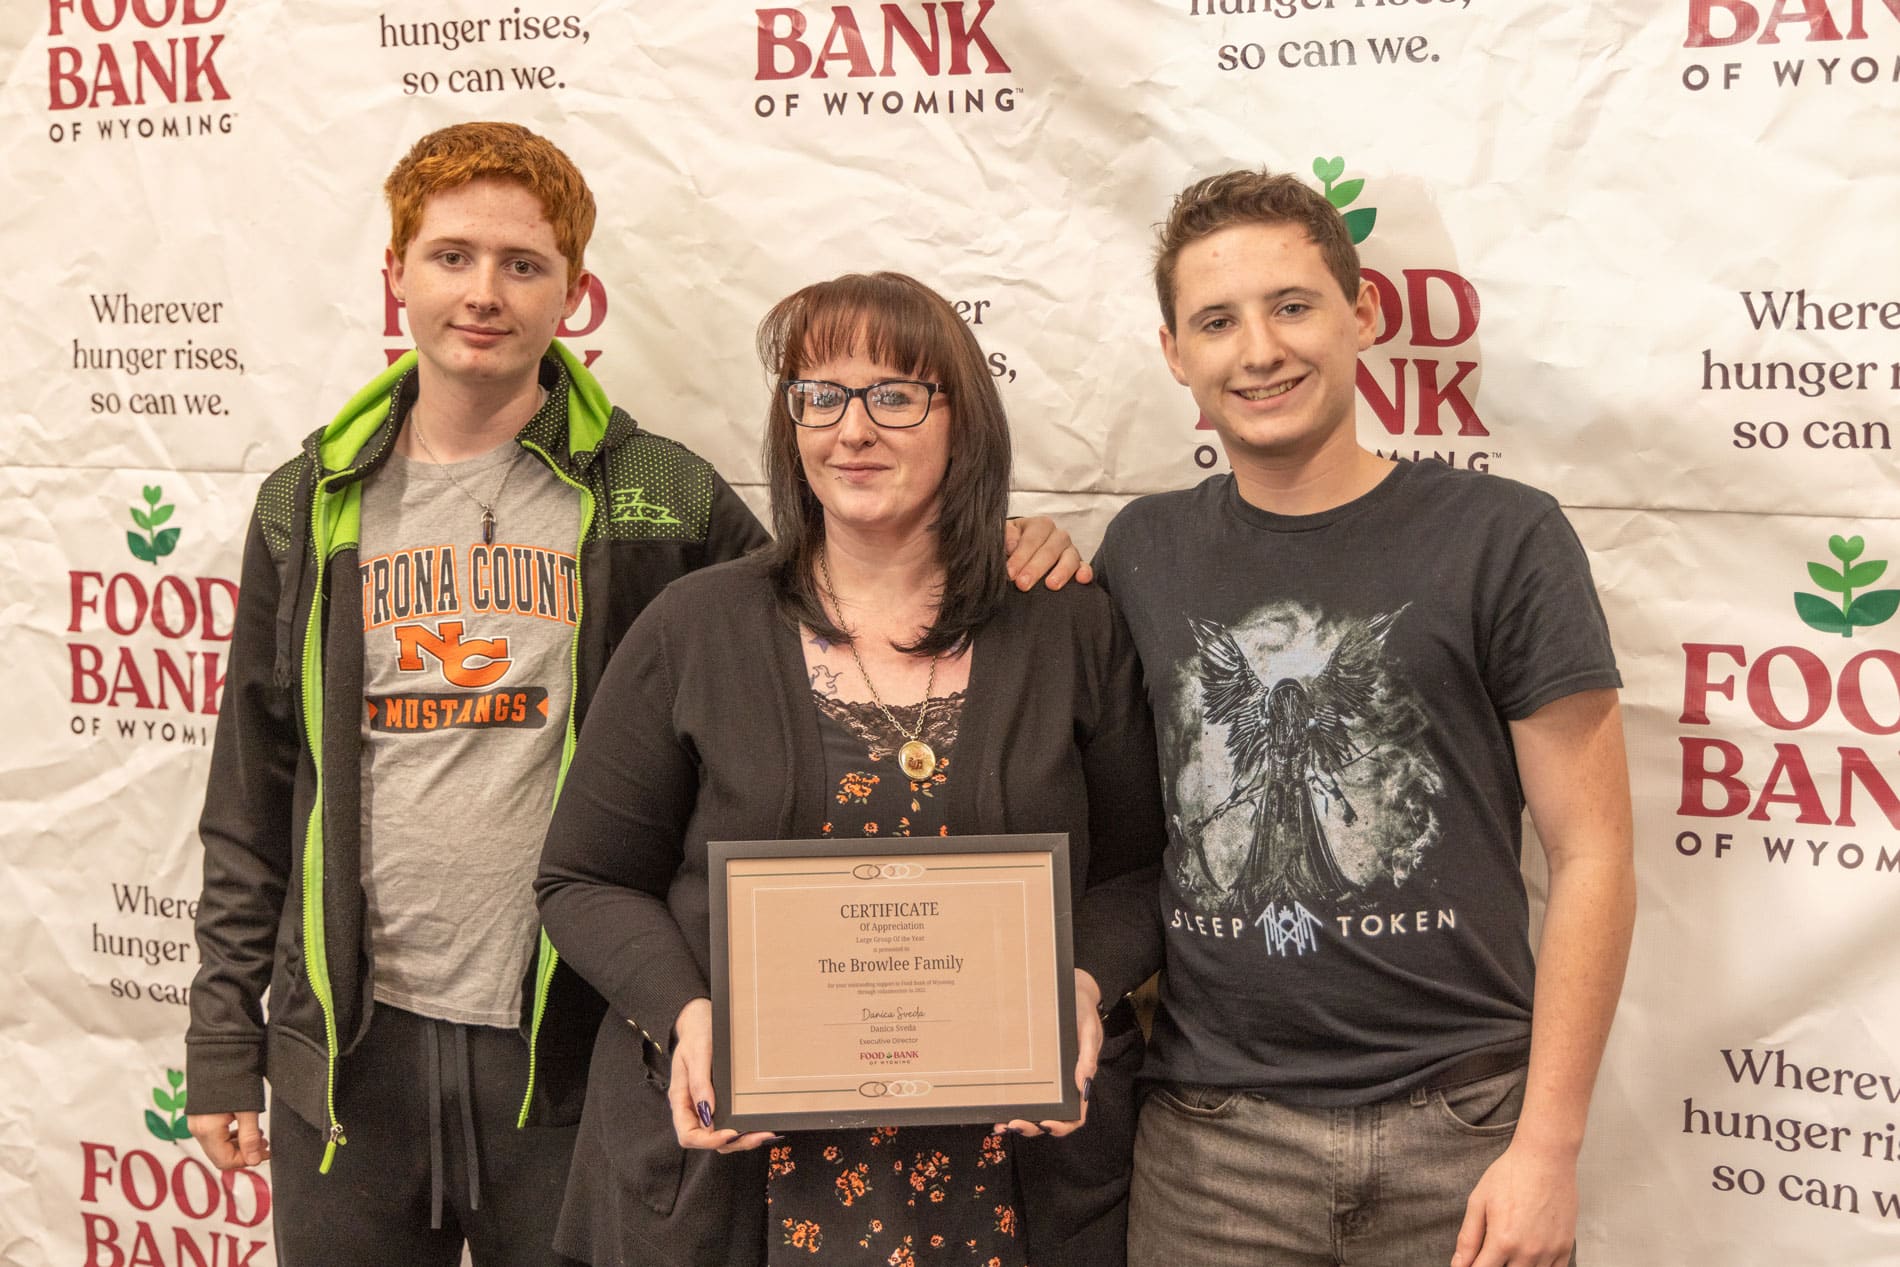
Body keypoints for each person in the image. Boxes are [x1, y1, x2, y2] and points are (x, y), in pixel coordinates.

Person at [182, 123, 1085, 1266]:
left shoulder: (662, 492)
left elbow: (838, 604)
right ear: (394, 277)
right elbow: (254, 784)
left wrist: (991, 549)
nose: (484, 292)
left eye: (524, 264)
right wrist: (225, 1034)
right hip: (352, 1056)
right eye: (451, 256)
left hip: (569, 1047)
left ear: (575, 291)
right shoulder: (308, 500)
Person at [534, 271, 1165, 1267]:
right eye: (818, 395)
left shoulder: (1067, 623)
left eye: (894, 394)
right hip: (735, 1173)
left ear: (965, 421)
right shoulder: (695, 628)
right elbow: (584, 878)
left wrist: (1082, 986)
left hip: (1010, 1180)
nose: (850, 428)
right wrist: (685, 1015)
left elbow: (1138, 867)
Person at [1098, 171, 1636, 1267]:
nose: (1259, 350)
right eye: (1217, 321)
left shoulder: (1503, 536)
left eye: (1291, 305)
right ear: (1174, 356)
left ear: (1363, 313)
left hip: (1465, 1132)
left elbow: (1593, 853)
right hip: (1213, 1149)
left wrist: (1547, 1147)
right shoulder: (1138, 552)